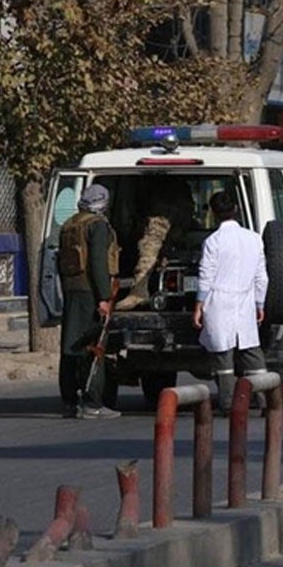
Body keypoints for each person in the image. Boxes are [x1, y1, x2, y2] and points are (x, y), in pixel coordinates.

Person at [193, 191, 268, 412]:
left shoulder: (212, 241)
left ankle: (227, 404)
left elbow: (206, 275)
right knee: (251, 352)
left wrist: (198, 305)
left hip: (218, 302)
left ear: (213, 214)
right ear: (236, 209)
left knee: (222, 355)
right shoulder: (254, 238)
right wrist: (259, 304)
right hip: (245, 301)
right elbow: (261, 276)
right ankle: (266, 401)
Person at [57, 184, 121, 419]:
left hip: (72, 290)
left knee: (70, 346)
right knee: (94, 347)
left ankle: (69, 401)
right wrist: (104, 297)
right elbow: (98, 263)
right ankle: (93, 403)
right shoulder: (97, 226)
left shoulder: (70, 224)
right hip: (90, 293)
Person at [115, 179, 195, 311]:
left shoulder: (161, 194)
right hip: (178, 205)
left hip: (165, 203)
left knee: (150, 243)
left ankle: (139, 291)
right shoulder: (182, 191)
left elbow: (152, 240)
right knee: (166, 244)